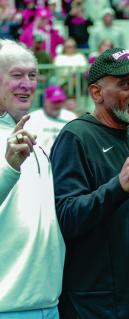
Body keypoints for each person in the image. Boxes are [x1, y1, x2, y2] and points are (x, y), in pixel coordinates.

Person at [50, 48, 129, 319]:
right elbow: (67, 217)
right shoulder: (75, 137)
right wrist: (118, 185)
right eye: (125, 84)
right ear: (97, 93)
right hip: (96, 304)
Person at [0, 39, 65, 317]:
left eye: (32, 75)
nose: (27, 83)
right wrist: (9, 169)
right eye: (16, 75)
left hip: (49, 303)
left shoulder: (34, 135)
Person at [24, 85, 76, 156]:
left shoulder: (71, 118)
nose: (56, 105)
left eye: (59, 101)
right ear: (45, 100)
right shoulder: (32, 119)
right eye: (54, 101)